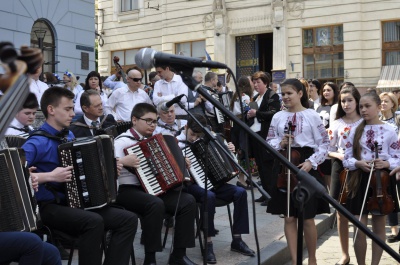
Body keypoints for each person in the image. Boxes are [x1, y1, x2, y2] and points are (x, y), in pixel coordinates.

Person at [22, 86, 137, 265]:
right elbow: (14, 177)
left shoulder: (69, 135)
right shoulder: (36, 142)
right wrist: (50, 176)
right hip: (47, 207)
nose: (72, 113)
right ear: (51, 110)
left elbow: (84, 167)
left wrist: (109, 168)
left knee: (128, 219)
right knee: (94, 222)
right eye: (67, 109)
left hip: (75, 203)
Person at [114, 103, 198, 265]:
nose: (153, 125)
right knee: (155, 204)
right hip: (127, 190)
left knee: (187, 201)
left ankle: (178, 256)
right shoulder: (121, 141)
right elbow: (109, 166)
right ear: (134, 120)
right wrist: (123, 161)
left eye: (155, 122)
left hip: (152, 188)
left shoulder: (154, 141)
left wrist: (181, 162)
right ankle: (150, 259)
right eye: (149, 121)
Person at [266, 78, 330, 265]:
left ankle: (312, 259)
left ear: (300, 94)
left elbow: (324, 144)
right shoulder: (278, 116)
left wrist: (311, 162)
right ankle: (295, 260)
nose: (285, 97)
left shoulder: (312, 115)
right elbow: (269, 141)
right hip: (284, 167)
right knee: (288, 217)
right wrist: (281, 143)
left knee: (308, 218)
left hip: (306, 165)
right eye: (283, 94)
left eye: (289, 93)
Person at [177, 114, 255, 264]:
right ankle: (208, 244)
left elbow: (229, 162)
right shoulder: (176, 143)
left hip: (213, 183)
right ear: (186, 127)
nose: (194, 138)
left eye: (197, 135)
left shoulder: (209, 139)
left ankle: (237, 240)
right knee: (209, 196)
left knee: (240, 192)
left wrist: (230, 151)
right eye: (192, 134)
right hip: (190, 186)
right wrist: (181, 162)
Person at [342, 92, 400, 265]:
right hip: (359, 180)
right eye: (361, 107)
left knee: (379, 226)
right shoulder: (354, 130)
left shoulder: (390, 129)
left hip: (381, 181)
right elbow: (346, 158)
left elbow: (397, 157)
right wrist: (358, 163)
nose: (363, 110)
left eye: (367, 106)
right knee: (359, 228)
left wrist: (386, 163)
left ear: (377, 106)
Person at [327, 86, 362, 265]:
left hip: (359, 168)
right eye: (343, 101)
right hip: (339, 167)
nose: (346, 104)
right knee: (341, 213)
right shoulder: (336, 123)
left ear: (357, 101)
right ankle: (344, 254)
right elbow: (327, 149)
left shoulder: (365, 122)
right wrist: (337, 155)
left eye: (349, 100)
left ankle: (361, 256)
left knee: (358, 214)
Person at [246, 71, 281, 206]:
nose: (255, 85)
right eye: (254, 82)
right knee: (260, 167)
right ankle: (264, 193)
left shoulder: (272, 95)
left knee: (268, 167)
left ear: (265, 83)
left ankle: (271, 195)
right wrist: (249, 115)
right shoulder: (255, 98)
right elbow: (253, 115)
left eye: (258, 82)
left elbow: (274, 114)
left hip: (266, 136)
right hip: (256, 136)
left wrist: (257, 113)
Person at [229, 76, 255, 189]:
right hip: (242, 126)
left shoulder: (235, 96)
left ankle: (245, 178)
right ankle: (241, 179)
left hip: (235, 126)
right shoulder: (245, 97)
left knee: (240, 152)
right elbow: (248, 111)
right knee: (244, 152)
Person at [316, 82, 339, 189]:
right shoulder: (320, 107)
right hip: (319, 143)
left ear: (335, 91)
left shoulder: (337, 107)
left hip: (331, 143)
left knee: (330, 172)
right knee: (323, 172)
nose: (326, 92)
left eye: (329, 90)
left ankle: (332, 199)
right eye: (324, 90)